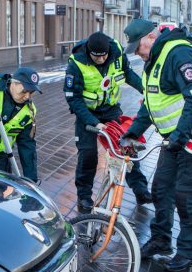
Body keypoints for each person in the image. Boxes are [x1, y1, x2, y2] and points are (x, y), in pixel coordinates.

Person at [119, 19, 192, 272]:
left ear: (151, 38)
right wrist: (132, 133)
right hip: (176, 137)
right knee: (161, 187)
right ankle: (161, 240)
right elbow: (151, 105)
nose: (137, 54)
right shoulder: (154, 62)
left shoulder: (179, 54)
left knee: (187, 195)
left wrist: (180, 137)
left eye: (138, 47)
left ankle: (188, 250)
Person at [65, 31, 151, 214]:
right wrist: (94, 123)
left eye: (104, 55)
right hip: (87, 114)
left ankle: (140, 190)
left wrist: (147, 91)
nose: (101, 59)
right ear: (89, 53)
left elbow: (128, 74)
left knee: (126, 148)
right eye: (97, 56)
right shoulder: (77, 63)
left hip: (110, 109)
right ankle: (84, 197)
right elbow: (74, 100)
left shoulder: (117, 52)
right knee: (88, 154)